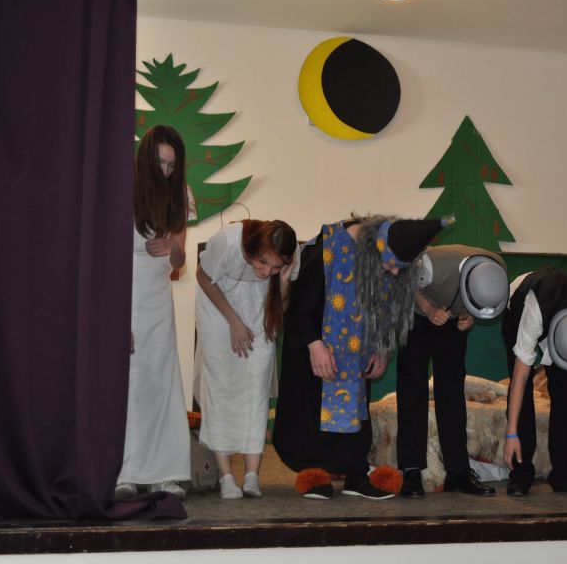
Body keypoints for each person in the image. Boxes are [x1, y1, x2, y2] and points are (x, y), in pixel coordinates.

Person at [273, 216, 444, 500]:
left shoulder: (384, 264)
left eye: (398, 269)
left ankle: (354, 473)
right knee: (313, 410)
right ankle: (314, 473)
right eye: (390, 264)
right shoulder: (325, 253)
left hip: (356, 354)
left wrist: (382, 349)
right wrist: (315, 346)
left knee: (355, 412)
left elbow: (385, 310)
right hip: (313, 348)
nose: (392, 272)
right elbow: (298, 308)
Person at [116, 125, 194, 501]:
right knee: (128, 384)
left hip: (158, 298)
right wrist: (116, 316)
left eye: (172, 165)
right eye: (161, 163)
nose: (166, 171)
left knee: (161, 381)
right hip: (124, 293)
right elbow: (108, 256)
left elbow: (179, 261)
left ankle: (164, 473)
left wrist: (171, 249)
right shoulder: (122, 191)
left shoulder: (180, 193)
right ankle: (124, 472)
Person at [195, 219, 299, 499]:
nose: (266, 272)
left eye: (274, 267)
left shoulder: (290, 257)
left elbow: (280, 308)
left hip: (260, 311)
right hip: (220, 309)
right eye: (263, 262)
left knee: (257, 387)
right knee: (221, 386)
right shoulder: (228, 242)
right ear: (253, 248)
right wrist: (233, 321)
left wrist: (283, 283)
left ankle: (252, 474)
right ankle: (226, 475)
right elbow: (203, 277)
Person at [397, 245, 509, 498]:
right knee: (413, 389)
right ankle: (411, 473)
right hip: (416, 312)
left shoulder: (495, 271)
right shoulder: (433, 265)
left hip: (452, 318)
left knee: (452, 392)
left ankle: (458, 473)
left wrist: (469, 314)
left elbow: (479, 298)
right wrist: (429, 310)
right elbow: (404, 279)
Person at [501, 267, 567, 497]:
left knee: (565, 389)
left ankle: (564, 475)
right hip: (519, 306)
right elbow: (519, 380)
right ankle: (521, 473)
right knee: (524, 389)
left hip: (562, 322)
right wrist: (511, 434)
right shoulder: (533, 311)